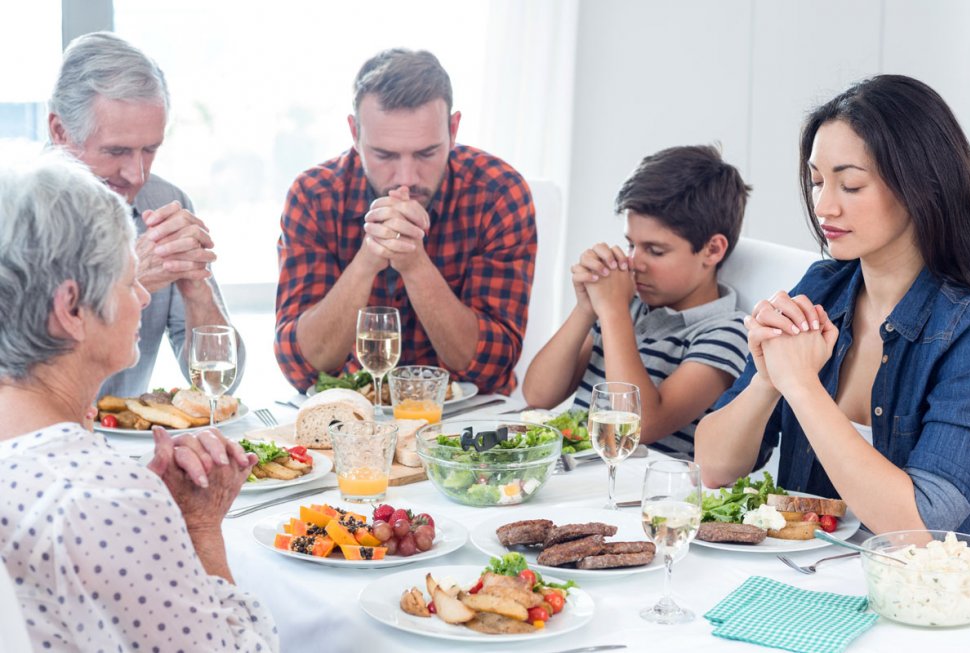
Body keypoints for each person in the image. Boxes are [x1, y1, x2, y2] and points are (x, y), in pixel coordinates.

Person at [0, 153, 278, 651]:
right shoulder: (111, 499)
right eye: (130, 280)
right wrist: (201, 528)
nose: (144, 298)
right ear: (70, 308)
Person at [695, 75, 970, 536]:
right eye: (816, 181)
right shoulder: (822, 288)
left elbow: (920, 524)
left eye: (849, 185)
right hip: (803, 575)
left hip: (922, 595)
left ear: (921, 186)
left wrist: (802, 386)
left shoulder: (968, 326)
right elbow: (713, 466)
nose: (824, 206)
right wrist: (767, 380)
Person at [275, 48, 536, 395]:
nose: (406, 178)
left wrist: (414, 265)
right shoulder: (314, 195)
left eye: (427, 153)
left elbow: (489, 368)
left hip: (468, 425)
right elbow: (303, 367)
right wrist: (368, 260)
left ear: (453, 129)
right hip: (354, 417)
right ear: (355, 133)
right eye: (384, 155)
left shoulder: (499, 193)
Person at [48, 31, 245, 398]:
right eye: (116, 151)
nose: (136, 175)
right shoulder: (12, 214)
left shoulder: (166, 201)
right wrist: (130, 277)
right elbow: (22, 379)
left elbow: (222, 385)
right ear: (60, 131)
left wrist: (195, 285)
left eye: (150, 150)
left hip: (128, 451)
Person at [523, 146, 751, 460]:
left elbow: (639, 428)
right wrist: (586, 308)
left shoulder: (729, 333)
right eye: (631, 245)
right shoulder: (627, 305)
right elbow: (538, 395)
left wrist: (614, 311)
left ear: (712, 250)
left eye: (655, 251)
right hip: (578, 480)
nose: (634, 263)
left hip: (644, 495)